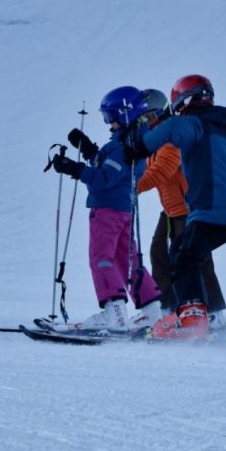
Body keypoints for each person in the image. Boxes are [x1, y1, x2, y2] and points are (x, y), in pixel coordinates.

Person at [125, 75, 226, 341]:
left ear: (184, 102)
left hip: (208, 208)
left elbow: (171, 130)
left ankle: (196, 319)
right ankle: (188, 314)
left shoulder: (193, 125)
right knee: (181, 253)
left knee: (186, 257)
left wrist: (140, 147)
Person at [50, 86, 162, 333]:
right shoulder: (133, 141)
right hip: (123, 210)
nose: (108, 124)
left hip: (108, 210)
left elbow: (104, 178)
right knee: (126, 259)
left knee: (101, 258)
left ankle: (115, 314)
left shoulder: (124, 146)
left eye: (110, 117)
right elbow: (112, 169)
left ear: (124, 114)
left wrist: (73, 168)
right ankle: (153, 312)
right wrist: (89, 149)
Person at [134, 89, 226, 330]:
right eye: (140, 120)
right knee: (160, 253)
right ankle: (167, 309)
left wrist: (132, 188)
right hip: (170, 209)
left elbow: (161, 171)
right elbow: (146, 169)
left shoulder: (172, 138)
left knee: (196, 259)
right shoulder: (155, 142)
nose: (144, 124)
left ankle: (215, 314)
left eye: (146, 119)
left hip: (189, 209)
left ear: (158, 114)